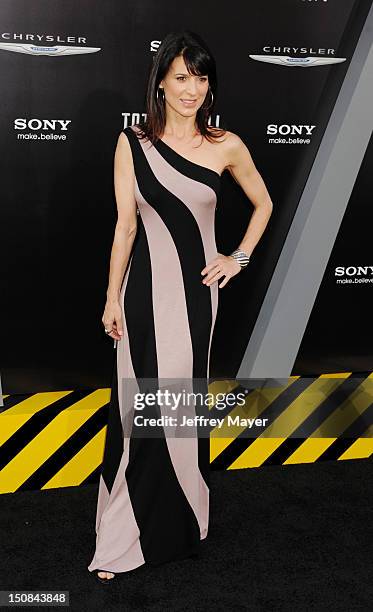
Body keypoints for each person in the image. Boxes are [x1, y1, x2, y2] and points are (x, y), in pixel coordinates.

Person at [87, 30, 273, 583]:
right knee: (137, 408)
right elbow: (125, 227)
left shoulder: (226, 145)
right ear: (162, 81)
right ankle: (123, 536)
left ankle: (182, 522)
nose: (192, 88)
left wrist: (236, 257)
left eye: (201, 77)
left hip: (195, 299)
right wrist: (110, 297)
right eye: (182, 77)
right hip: (141, 296)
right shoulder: (133, 142)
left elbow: (262, 204)